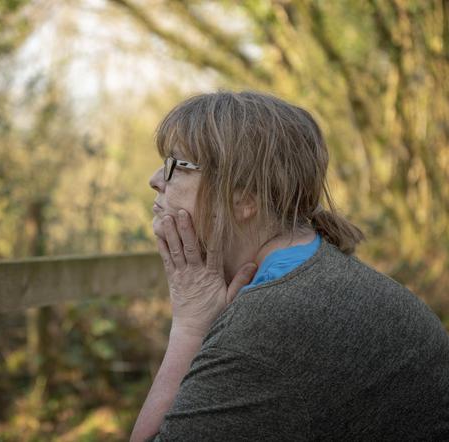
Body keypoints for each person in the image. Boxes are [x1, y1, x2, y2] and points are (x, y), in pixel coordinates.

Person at [132, 91, 449, 441]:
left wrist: (190, 326)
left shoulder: (266, 328)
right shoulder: (318, 270)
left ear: (245, 198)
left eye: (177, 164)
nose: (155, 179)